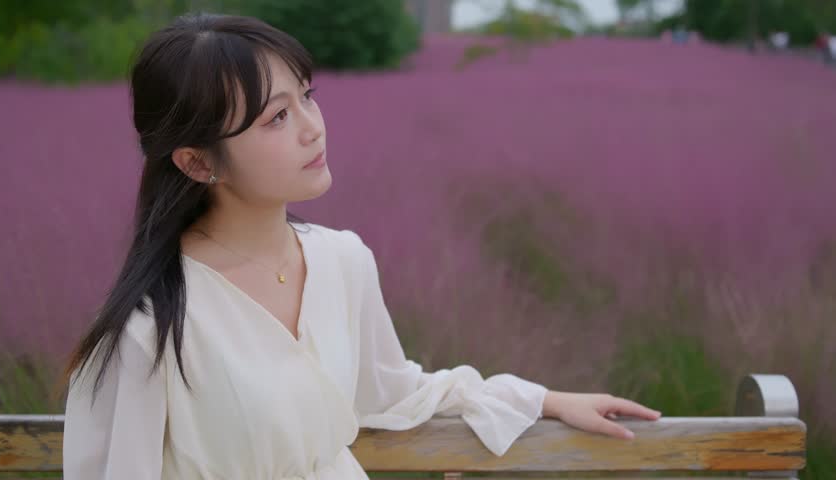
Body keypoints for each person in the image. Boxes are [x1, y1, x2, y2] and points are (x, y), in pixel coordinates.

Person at [60, 12, 661, 480]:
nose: (312, 126)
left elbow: (394, 391)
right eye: (275, 118)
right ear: (195, 161)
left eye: (308, 96)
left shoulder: (342, 260)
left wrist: (544, 401)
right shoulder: (149, 327)